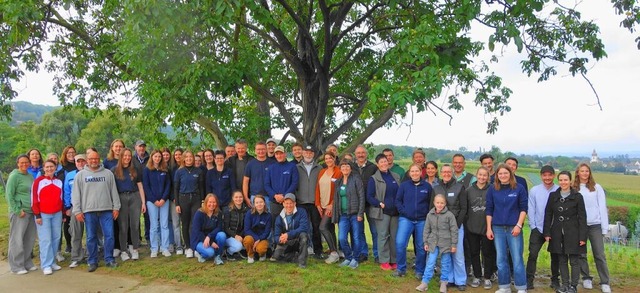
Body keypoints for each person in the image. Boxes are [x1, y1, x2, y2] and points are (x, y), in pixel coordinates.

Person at [71, 150, 121, 272]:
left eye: (96, 158)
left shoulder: (108, 174)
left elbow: (113, 191)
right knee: (91, 237)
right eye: (91, 159)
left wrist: (116, 207)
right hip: (89, 211)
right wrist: (77, 211)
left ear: (99, 159)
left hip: (106, 210)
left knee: (109, 236)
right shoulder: (81, 175)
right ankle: (92, 261)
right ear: (87, 160)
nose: (94, 161)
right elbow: (76, 195)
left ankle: (109, 259)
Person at [486, 163, 528, 293]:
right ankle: (504, 286)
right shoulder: (492, 189)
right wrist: (489, 228)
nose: (503, 175)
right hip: (497, 228)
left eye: (505, 173)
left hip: (514, 228)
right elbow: (489, 209)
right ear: (497, 176)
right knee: (501, 258)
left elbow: (523, 209)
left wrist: (519, 225)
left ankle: (521, 287)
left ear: (510, 174)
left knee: (517, 258)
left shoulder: (519, 188)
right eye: (500, 174)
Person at [544, 171, 587, 293]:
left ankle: (573, 286)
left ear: (570, 181)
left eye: (566, 180)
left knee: (574, 260)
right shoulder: (553, 196)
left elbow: (582, 218)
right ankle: (565, 285)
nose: (563, 182)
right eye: (561, 180)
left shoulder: (578, 197)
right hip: (557, 232)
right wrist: (547, 233)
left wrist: (583, 236)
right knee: (561, 260)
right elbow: (548, 215)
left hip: (573, 232)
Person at [573, 163, 612, 293]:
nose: (584, 173)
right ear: (577, 173)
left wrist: (604, 228)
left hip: (595, 225)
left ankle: (605, 282)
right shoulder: (574, 188)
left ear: (589, 173)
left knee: (599, 254)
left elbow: (602, 207)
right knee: (581, 254)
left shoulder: (596, 188)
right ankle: (586, 278)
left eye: (587, 171)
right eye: (582, 171)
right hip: (580, 226)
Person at [393, 163, 432, 278]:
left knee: (420, 246)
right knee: (400, 243)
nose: (414, 173)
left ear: (421, 172)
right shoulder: (404, 186)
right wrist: (404, 212)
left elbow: (430, 203)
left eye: (417, 171)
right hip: (406, 219)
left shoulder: (427, 187)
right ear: (409, 173)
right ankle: (401, 269)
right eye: (412, 171)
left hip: (422, 221)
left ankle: (420, 271)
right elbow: (398, 201)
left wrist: (426, 215)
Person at [432, 164, 468, 289]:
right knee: (446, 254)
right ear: (441, 173)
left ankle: (461, 280)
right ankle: (449, 279)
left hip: (456, 227)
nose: (446, 174)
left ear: (452, 173)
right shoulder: (436, 188)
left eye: (449, 172)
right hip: (440, 228)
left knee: (457, 254)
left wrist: (456, 225)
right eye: (444, 172)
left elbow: (464, 208)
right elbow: (432, 208)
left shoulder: (459, 187)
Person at [415, 194, 459, 293]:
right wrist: (425, 242)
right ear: (434, 203)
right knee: (430, 262)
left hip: (446, 243)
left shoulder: (449, 215)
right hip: (433, 243)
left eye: (442, 203)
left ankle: (443, 282)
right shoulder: (430, 215)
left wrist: (453, 245)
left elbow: (454, 230)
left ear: (445, 204)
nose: (439, 205)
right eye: (437, 203)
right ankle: (425, 283)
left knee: (445, 263)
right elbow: (426, 229)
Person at [526, 165, 560, 289]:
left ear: (553, 176)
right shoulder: (534, 190)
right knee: (533, 255)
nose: (547, 177)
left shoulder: (559, 190)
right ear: (541, 176)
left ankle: (555, 280)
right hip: (538, 228)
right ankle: (529, 280)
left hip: (554, 229)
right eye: (544, 175)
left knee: (555, 256)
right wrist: (533, 226)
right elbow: (531, 208)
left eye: (549, 175)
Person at [366, 153, 400, 271]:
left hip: (395, 212)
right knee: (383, 236)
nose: (384, 163)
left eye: (385, 161)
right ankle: (384, 260)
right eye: (381, 162)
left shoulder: (395, 176)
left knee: (394, 237)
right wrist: (379, 204)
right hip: (382, 212)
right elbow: (369, 196)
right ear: (377, 164)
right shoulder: (374, 179)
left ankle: (394, 260)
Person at [112, 148, 146, 261]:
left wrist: (143, 202)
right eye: (125, 156)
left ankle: (135, 249)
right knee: (123, 226)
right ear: (121, 157)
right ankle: (123, 251)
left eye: (129, 156)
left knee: (135, 225)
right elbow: (112, 189)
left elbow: (140, 186)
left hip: (134, 197)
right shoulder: (114, 171)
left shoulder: (135, 169)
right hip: (121, 198)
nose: (127, 158)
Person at [31, 160, 64, 275]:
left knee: (56, 238)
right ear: (44, 168)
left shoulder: (59, 182)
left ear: (55, 168)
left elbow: (61, 198)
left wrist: (63, 213)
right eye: (47, 167)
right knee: (46, 239)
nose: (50, 169)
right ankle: (46, 264)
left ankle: (52, 262)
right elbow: (34, 199)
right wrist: (37, 215)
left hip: (57, 214)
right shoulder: (38, 181)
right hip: (43, 214)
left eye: (52, 167)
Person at [465, 167, 495, 289]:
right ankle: (477, 276)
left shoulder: (492, 190)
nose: (482, 177)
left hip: (487, 228)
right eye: (480, 175)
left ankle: (487, 277)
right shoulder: (469, 190)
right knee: (474, 252)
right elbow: (466, 208)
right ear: (476, 175)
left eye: (485, 175)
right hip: (472, 227)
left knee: (487, 253)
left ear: (488, 177)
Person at [6, 155, 37, 274]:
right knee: (17, 239)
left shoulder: (29, 176)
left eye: (26, 162)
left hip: (30, 211)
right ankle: (16, 266)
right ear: (18, 163)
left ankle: (27, 262)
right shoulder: (14, 176)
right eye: (22, 162)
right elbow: (9, 195)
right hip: (20, 212)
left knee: (29, 239)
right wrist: (17, 210)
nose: (24, 164)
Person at [174, 150, 206, 258]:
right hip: (183, 199)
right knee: (185, 224)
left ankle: (195, 246)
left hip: (196, 199)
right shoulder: (179, 172)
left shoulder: (199, 171)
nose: (189, 159)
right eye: (186, 157)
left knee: (195, 224)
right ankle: (188, 247)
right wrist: (177, 204)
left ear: (193, 158)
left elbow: (202, 187)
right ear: (183, 159)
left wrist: (202, 201)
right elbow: (176, 188)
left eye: (190, 157)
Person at [334, 159, 365, 269]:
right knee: (342, 238)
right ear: (340, 169)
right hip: (343, 214)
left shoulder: (356, 179)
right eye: (343, 167)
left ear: (351, 168)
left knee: (356, 238)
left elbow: (362, 196)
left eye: (347, 166)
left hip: (355, 214)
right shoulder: (339, 181)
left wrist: (360, 213)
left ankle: (355, 259)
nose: (345, 169)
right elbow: (336, 199)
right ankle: (348, 257)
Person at [295, 144, 323, 258]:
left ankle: (318, 251)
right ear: (302, 153)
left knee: (316, 227)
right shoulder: (296, 167)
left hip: (314, 202)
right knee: (302, 227)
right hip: (301, 202)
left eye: (310, 152)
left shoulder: (319, 168)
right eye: (306, 152)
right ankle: (303, 249)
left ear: (313, 154)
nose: (308, 154)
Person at [143, 150, 171, 258]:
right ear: (152, 157)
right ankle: (154, 248)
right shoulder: (147, 170)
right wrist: (154, 200)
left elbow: (168, 185)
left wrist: (164, 199)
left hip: (164, 201)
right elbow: (146, 186)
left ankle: (165, 248)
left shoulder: (165, 169)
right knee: (154, 226)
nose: (158, 158)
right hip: (152, 201)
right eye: (156, 156)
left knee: (164, 225)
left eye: (159, 156)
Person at [271, 193, 310, 268]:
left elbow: (304, 227)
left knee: (304, 236)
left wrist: (288, 235)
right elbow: (276, 235)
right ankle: (295, 257)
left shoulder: (302, 212)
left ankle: (302, 263)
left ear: (295, 203)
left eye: (291, 203)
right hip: (286, 241)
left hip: (298, 239)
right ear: (283, 204)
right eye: (287, 203)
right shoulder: (279, 218)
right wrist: (280, 239)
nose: (289, 206)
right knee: (276, 257)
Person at [353, 144, 378, 262]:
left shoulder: (373, 167)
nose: (361, 155)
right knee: (359, 230)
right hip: (357, 204)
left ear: (366, 154)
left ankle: (377, 254)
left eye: (363, 153)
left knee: (374, 230)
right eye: (358, 153)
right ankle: (363, 252)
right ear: (355, 155)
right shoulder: (351, 167)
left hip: (370, 204)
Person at [316, 151, 342, 264]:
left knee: (322, 227)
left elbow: (339, 190)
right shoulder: (322, 171)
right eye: (326, 158)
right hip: (322, 204)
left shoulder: (339, 172)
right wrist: (317, 204)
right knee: (330, 228)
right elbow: (317, 188)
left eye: (330, 158)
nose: (328, 160)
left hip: (331, 205)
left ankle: (333, 253)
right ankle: (335, 250)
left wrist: (332, 204)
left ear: (334, 158)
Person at [265, 145, 299, 223]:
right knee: (275, 224)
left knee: (289, 224)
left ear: (285, 154)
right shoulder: (271, 168)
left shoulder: (292, 166)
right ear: (275, 155)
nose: (279, 156)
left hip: (288, 202)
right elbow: (267, 184)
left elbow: (294, 183)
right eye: (277, 154)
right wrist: (275, 195)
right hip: (274, 202)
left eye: (281, 153)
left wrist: (284, 196)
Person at [190, 193, 227, 264]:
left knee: (222, 235)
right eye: (210, 202)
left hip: (210, 237)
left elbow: (219, 227)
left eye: (214, 202)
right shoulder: (199, 213)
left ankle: (217, 256)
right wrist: (209, 242)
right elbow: (196, 231)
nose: (212, 204)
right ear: (206, 202)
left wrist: (209, 237)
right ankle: (200, 254)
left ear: (216, 203)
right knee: (210, 253)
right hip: (199, 239)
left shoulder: (218, 213)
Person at [64, 154, 86, 268]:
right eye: (78, 162)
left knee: (94, 233)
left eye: (83, 161)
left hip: (90, 206)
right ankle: (76, 257)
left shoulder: (91, 174)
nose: (81, 163)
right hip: (76, 207)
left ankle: (93, 254)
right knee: (75, 232)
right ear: (75, 163)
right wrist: (67, 207)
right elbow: (67, 191)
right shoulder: (70, 175)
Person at [242, 141, 274, 207]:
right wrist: (246, 198)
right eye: (258, 149)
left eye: (263, 149)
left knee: (269, 217)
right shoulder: (250, 164)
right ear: (255, 151)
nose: (261, 151)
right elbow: (245, 181)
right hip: (255, 197)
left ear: (266, 150)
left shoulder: (272, 163)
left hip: (270, 197)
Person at [59, 145, 77, 255]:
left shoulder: (79, 165)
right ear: (65, 155)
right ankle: (69, 245)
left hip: (80, 199)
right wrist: (66, 203)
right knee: (67, 223)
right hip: (67, 199)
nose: (71, 154)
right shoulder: (62, 168)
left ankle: (76, 244)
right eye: (68, 153)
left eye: (73, 152)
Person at [243, 194, 271, 263]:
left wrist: (260, 239)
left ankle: (262, 254)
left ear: (264, 203)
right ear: (254, 204)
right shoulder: (249, 213)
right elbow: (247, 230)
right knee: (248, 240)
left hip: (262, 237)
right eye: (257, 202)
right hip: (251, 236)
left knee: (261, 249)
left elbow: (267, 232)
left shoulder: (268, 215)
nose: (259, 204)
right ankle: (250, 255)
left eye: (261, 202)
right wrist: (256, 238)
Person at [167, 147, 184, 255]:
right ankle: (178, 245)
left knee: (186, 223)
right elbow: (170, 185)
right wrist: (174, 197)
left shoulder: (186, 168)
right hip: (174, 199)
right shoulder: (171, 169)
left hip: (186, 199)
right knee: (175, 223)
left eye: (179, 154)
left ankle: (188, 244)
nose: (178, 156)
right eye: (176, 155)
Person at [223, 190, 248, 260]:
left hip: (241, 235)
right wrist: (235, 236)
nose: (238, 199)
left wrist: (241, 236)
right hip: (229, 236)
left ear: (243, 198)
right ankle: (228, 252)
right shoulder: (228, 210)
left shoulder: (246, 210)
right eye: (236, 197)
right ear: (233, 198)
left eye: (240, 197)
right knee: (238, 247)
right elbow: (225, 228)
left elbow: (246, 226)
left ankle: (239, 250)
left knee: (247, 245)